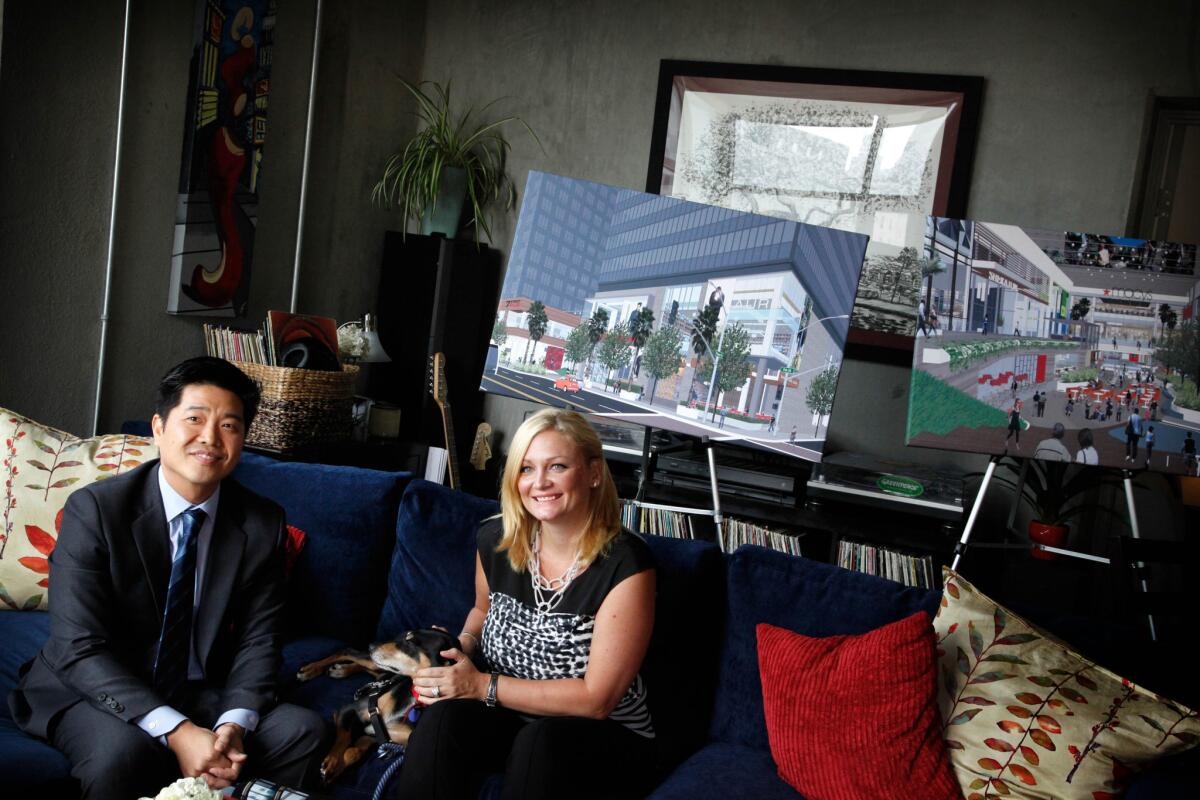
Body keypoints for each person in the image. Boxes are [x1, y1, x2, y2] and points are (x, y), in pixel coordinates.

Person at [7, 358, 327, 799]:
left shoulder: (261, 523)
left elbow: (260, 640)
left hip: (199, 689)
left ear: (243, 439)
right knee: (123, 754)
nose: (210, 438)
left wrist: (232, 724)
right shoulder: (96, 511)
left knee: (301, 729)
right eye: (194, 419)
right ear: (158, 427)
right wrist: (177, 732)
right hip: (94, 688)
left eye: (229, 425)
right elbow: (78, 646)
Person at [395, 409, 658, 800]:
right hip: (508, 718)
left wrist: (481, 684)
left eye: (557, 466)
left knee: (540, 744)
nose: (540, 483)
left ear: (593, 473)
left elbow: (596, 699)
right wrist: (461, 647)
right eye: (526, 469)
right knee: (442, 719)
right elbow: (482, 611)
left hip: (599, 734)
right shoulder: (496, 539)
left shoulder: (626, 564)